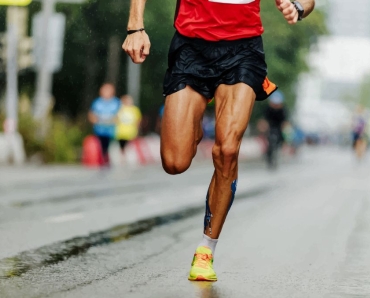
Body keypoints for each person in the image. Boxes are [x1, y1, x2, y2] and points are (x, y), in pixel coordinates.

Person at [123, 0, 315, 282]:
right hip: (191, 45)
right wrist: (135, 27)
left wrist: (297, 8)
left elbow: (307, 1)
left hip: (243, 49)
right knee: (174, 162)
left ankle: (205, 250)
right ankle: (197, 119)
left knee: (227, 149)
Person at [88, 83, 121, 166]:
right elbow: (91, 115)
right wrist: (95, 121)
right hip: (100, 130)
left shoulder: (116, 102)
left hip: (113, 132)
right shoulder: (97, 102)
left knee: (111, 148)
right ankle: (103, 161)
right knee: (102, 148)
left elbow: (120, 115)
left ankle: (112, 162)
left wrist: (114, 120)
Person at [264, 90, 288, 168]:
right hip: (270, 127)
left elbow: (285, 121)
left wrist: (285, 129)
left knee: (281, 138)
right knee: (268, 141)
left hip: (279, 127)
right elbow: (264, 120)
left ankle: (279, 149)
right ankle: (268, 157)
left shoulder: (283, 110)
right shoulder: (268, 109)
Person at [115, 95, 142, 162]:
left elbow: (138, 120)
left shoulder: (135, 109)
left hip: (131, 132)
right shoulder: (120, 109)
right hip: (122, 132)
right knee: (122, 146)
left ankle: (130, 157)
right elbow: (116, 119)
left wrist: (137, 128)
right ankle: (123, 157)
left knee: (130, 146)